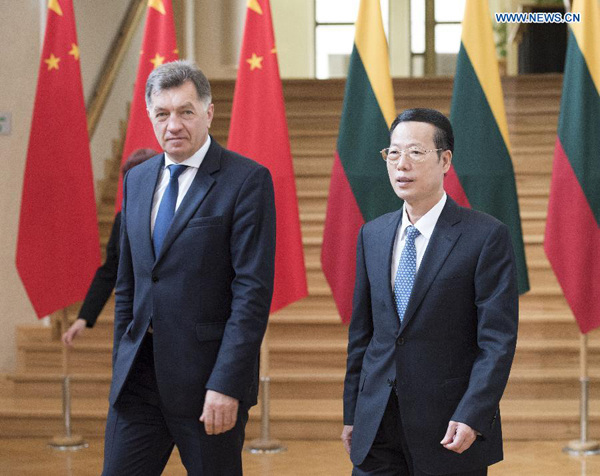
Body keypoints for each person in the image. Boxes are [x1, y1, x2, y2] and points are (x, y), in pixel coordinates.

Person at [102, 60, 276, 476]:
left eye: (185, 111)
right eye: (162, 113)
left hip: (207, 385)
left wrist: (226, 383)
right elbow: (129, 283)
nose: (173, 124)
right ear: (150, 116)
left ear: (208, 113)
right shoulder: (137, 180)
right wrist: (120, 359)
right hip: (138, 379)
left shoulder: (246, 181)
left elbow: (251, 295)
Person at [342, 108, 518, 475]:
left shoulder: (485, 237)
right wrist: (352, 413)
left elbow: (497, 340)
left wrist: (473, 413)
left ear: (445, 160)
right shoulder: (371, 235)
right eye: (393, 153)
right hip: (377, 424)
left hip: (450, 428)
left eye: (415, 152)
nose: (401, 164)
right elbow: (363, 335)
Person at [61, 148, 157, 346]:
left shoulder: (179, 217)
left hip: (174, 325)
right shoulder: (122, 220)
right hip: (134, 323)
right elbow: (110, 270)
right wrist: (84, 318)